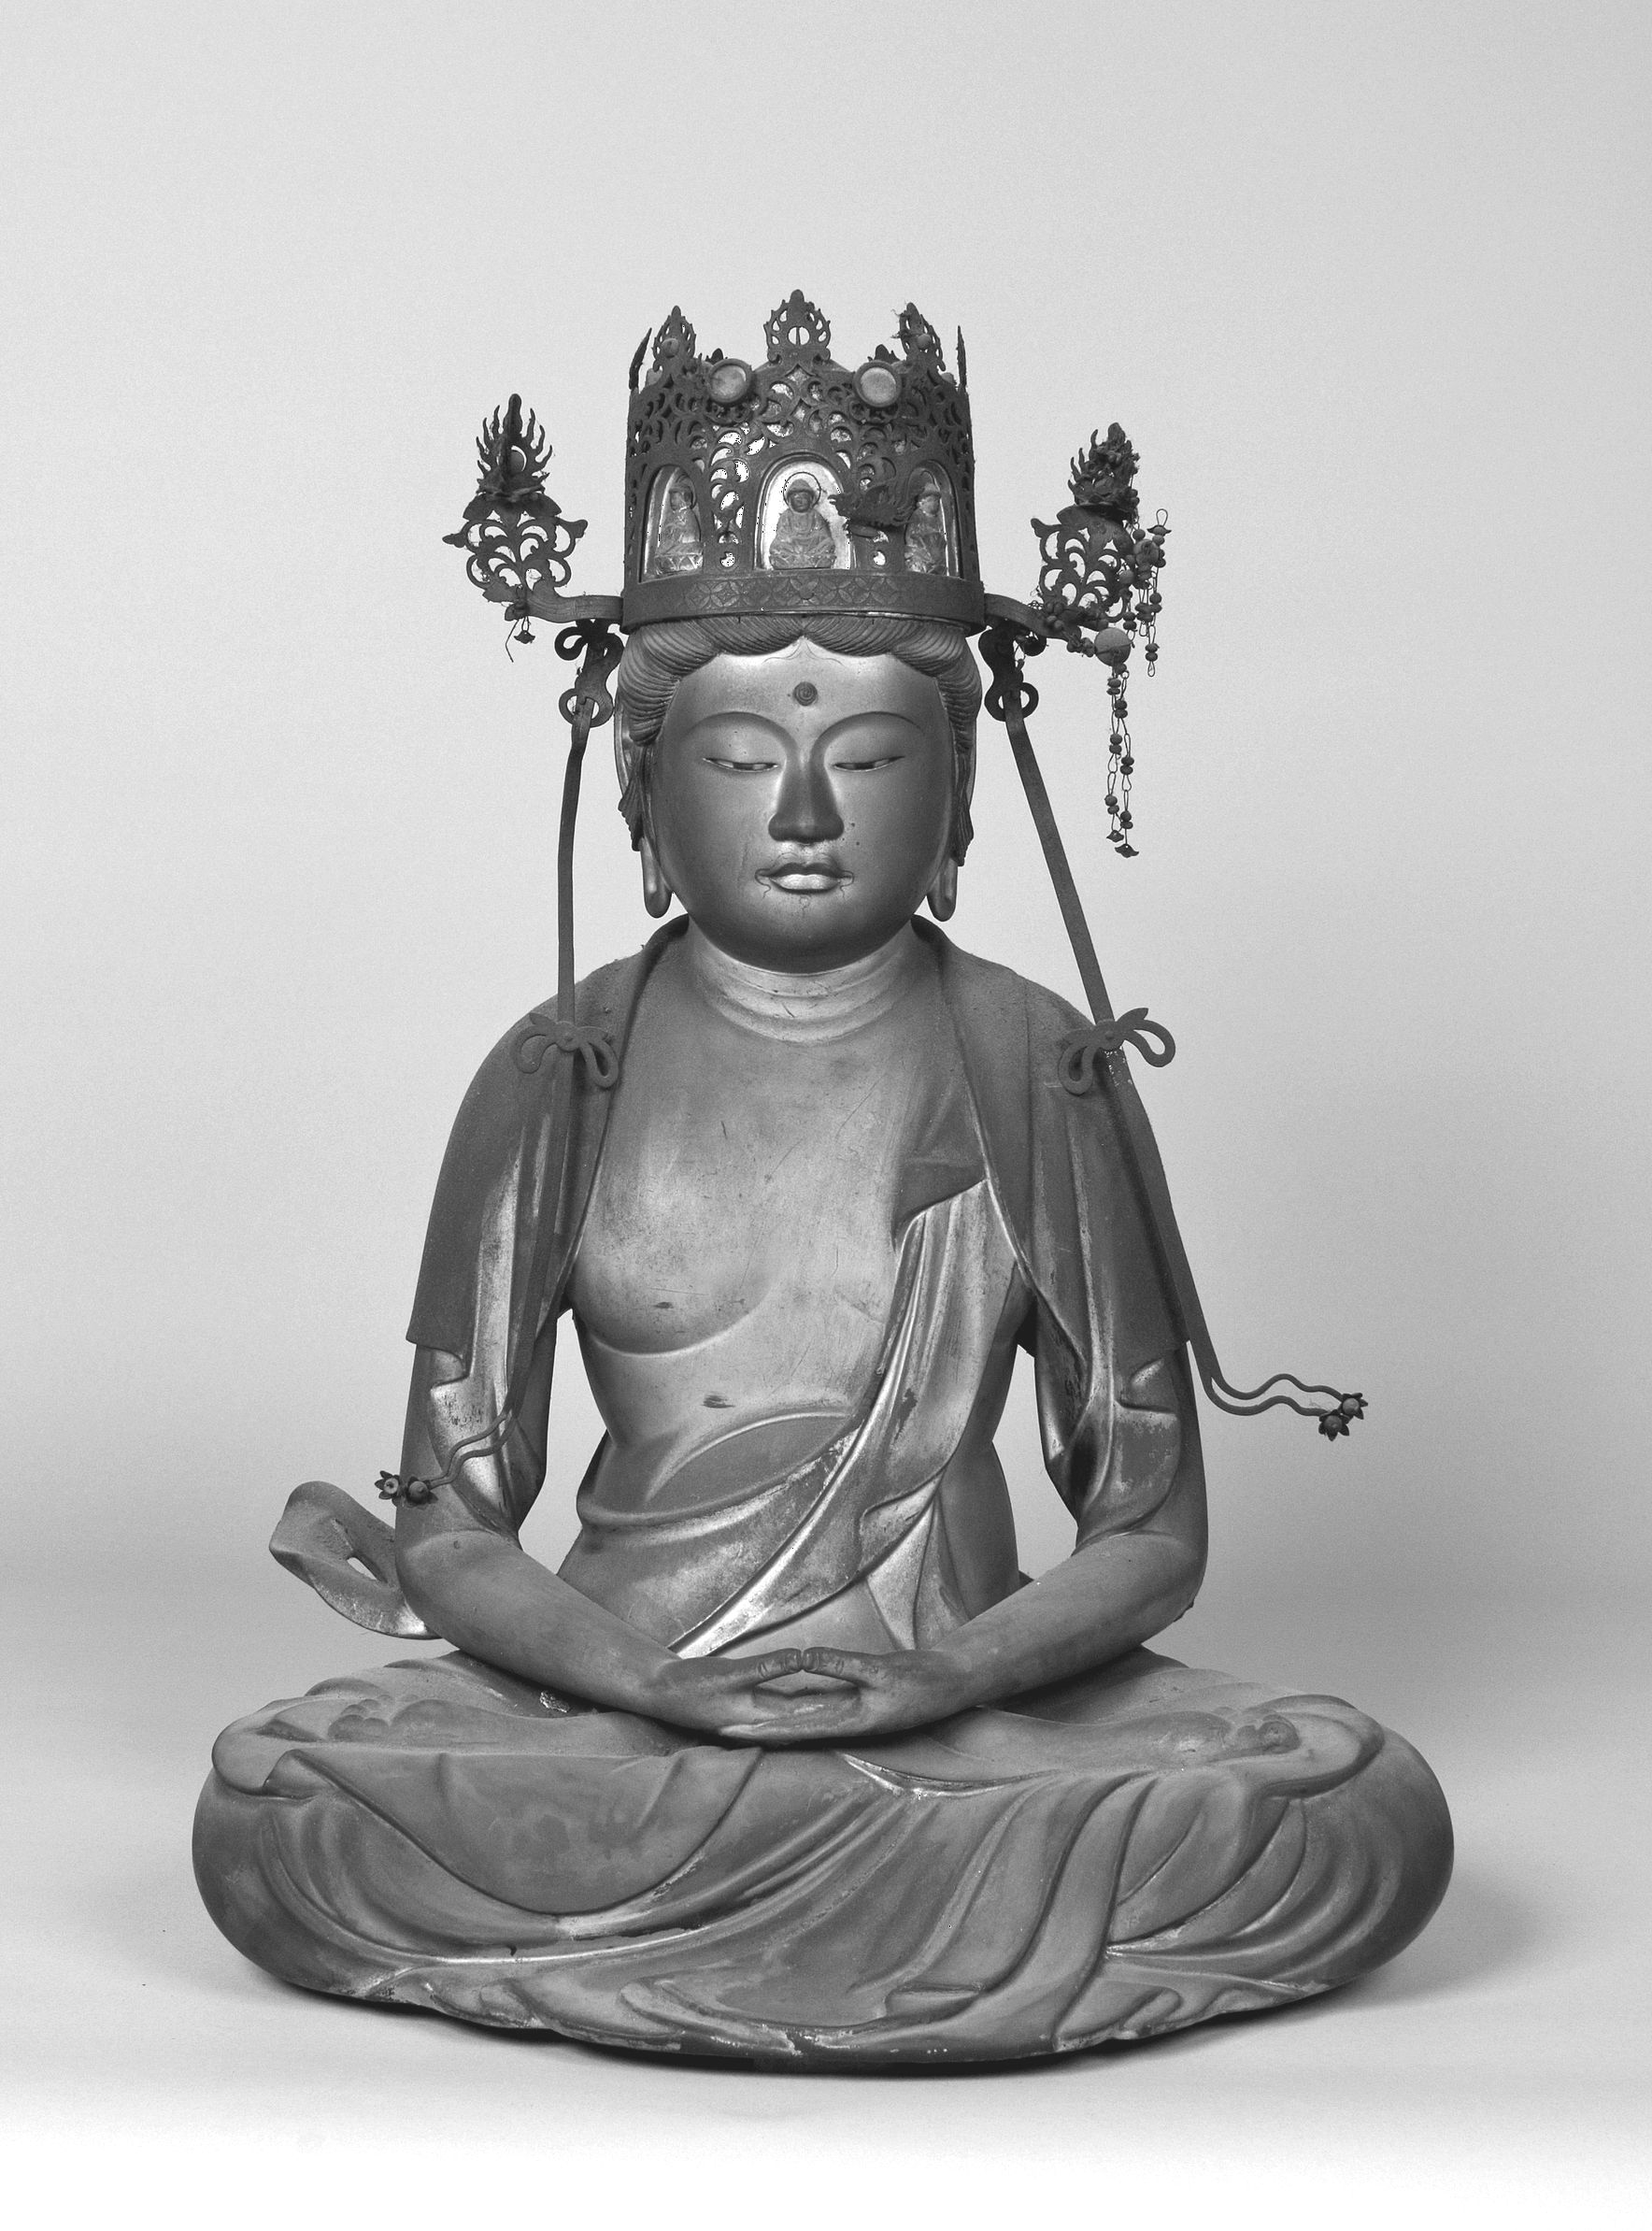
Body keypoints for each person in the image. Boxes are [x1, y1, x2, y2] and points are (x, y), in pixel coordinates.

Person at [194, 609, 1453, 2064]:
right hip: (625, 1702)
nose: (803, 815)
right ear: (642, 800)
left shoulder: (1040, 1066)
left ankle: (694, 1936)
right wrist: (657, 1684)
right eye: (740, 762)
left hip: (960, 1698)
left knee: (1343, 1803)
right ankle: (921, 1938)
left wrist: (947, 1678)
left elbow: (1155, 1533)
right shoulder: (560, 1074)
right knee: (286, 1811)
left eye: (867, 761)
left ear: (959, 803)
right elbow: (446, 1525)